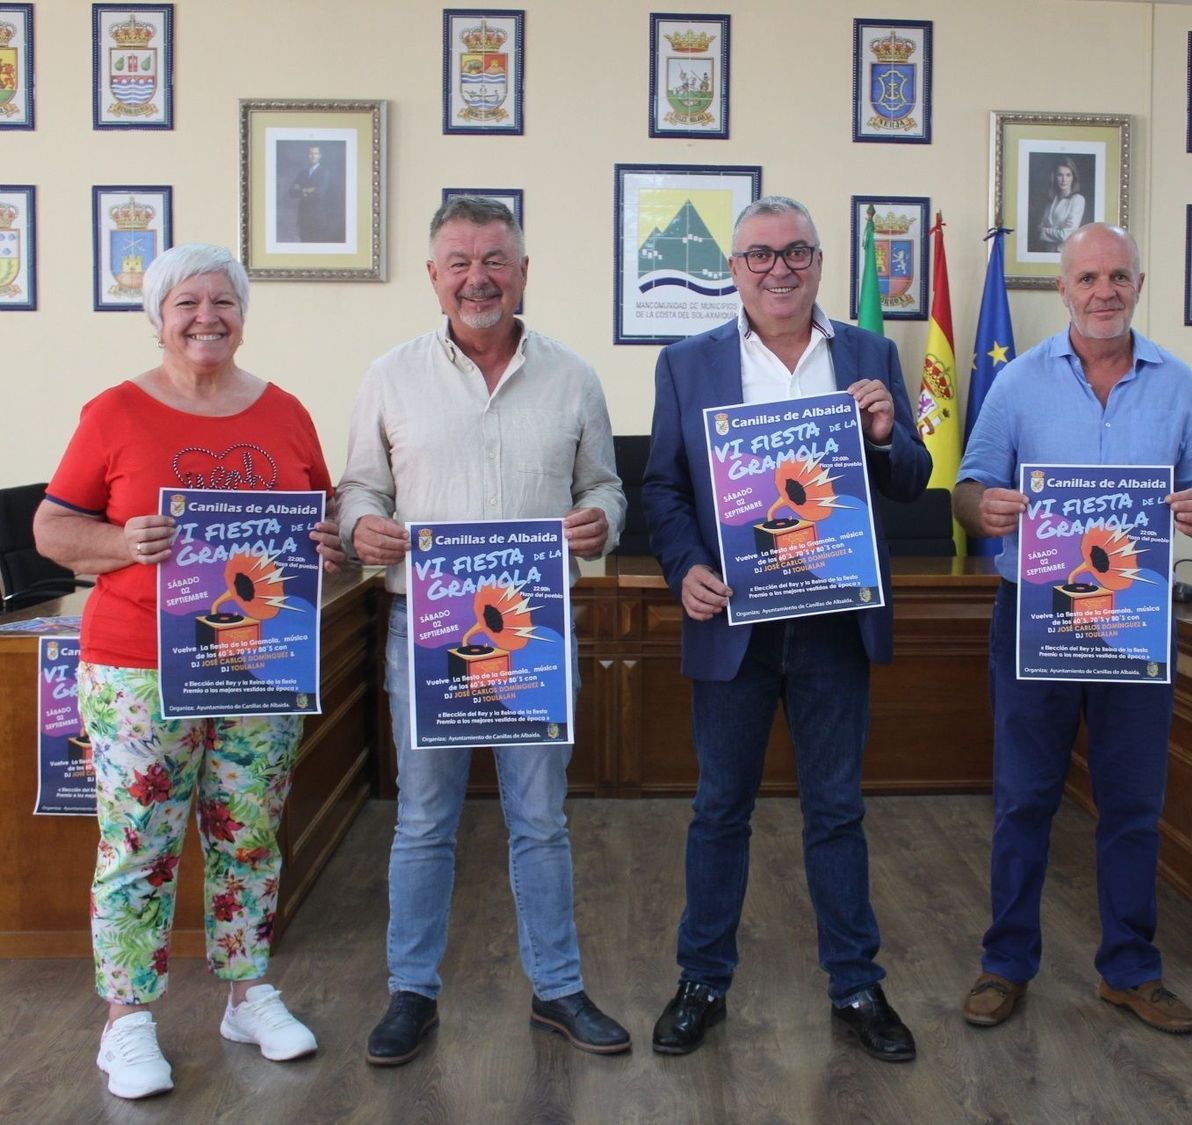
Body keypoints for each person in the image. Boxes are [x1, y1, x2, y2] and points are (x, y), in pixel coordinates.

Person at [35, 243, 345, 1100]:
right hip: (138, 666)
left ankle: (247, 993)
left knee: (249, 832)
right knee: (139, 843)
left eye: (224, 301)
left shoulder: (285, 412)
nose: (207, 316)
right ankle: (126, 1021)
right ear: (158, 316)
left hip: (257, 663)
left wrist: (327, 541)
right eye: (187, 303)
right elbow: (52, 530)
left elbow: (319, 518)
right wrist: (117, 543)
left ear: (244, 314)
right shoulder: (115, 412)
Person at [337, 196, 629, 1067]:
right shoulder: (389, 376)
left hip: (535, 636)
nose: (479, 277)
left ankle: (559, 988)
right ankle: (411, 993)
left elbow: (608, 487)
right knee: (424, 821)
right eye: (459, 261)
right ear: (433, 278)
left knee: (540, 819)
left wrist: (598, 521)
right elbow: (360, 489)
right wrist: (361, 528)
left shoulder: (574, 376)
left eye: (495, 259)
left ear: (525, 272)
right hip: (423, 637)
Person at [642, 195, 932, 1061]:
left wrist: (882, 435)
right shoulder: (688, 363)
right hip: (734, 620)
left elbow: (914, 476)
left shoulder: (871, 353)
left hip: (835, 622)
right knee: (720, 808)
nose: (779, 269)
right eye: (760, 255)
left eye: (796, 253)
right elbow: (662, 487)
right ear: (733, 270)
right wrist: (686, 564)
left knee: (836, 809)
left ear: (817, 262)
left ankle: (855, 984)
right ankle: (702, 980)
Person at [954, 223, 1192, 1035]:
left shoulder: (1177, 384)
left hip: (1136, 620)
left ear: (1138, 285)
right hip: (1034, 618)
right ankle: (1005, 963)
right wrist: (987, 506)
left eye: (1118, 276)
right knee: (1024, 798)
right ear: (1063, 289)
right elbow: (969, 489)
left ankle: (1130, 969)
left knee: (1134, 801)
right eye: (1086, 278)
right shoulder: (1018, 384)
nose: (1102, 290)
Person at [288, 145, 339, 243]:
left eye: (315, 153)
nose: (313, 156)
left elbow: (319, 193)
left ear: (320, 156)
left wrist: (301, 190)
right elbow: (291, 192)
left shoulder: (324, 172)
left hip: (317, 217)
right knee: (304, 246)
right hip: (303, 217)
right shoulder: (302, 173)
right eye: (310, 153)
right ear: (307, 155)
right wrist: (307, 190)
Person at [1035, 158, 1087, 253]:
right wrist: (1055, 231)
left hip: (1064, 253)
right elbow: (1039, 228)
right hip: (1046, 252)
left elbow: (1065, 235)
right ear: (1054, 177)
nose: (1064, 180)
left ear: (1073, 177)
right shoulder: (1050, 200)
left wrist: (1043, 231)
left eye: (1068, 175)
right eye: (1060, 175)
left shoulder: (1077, 200)